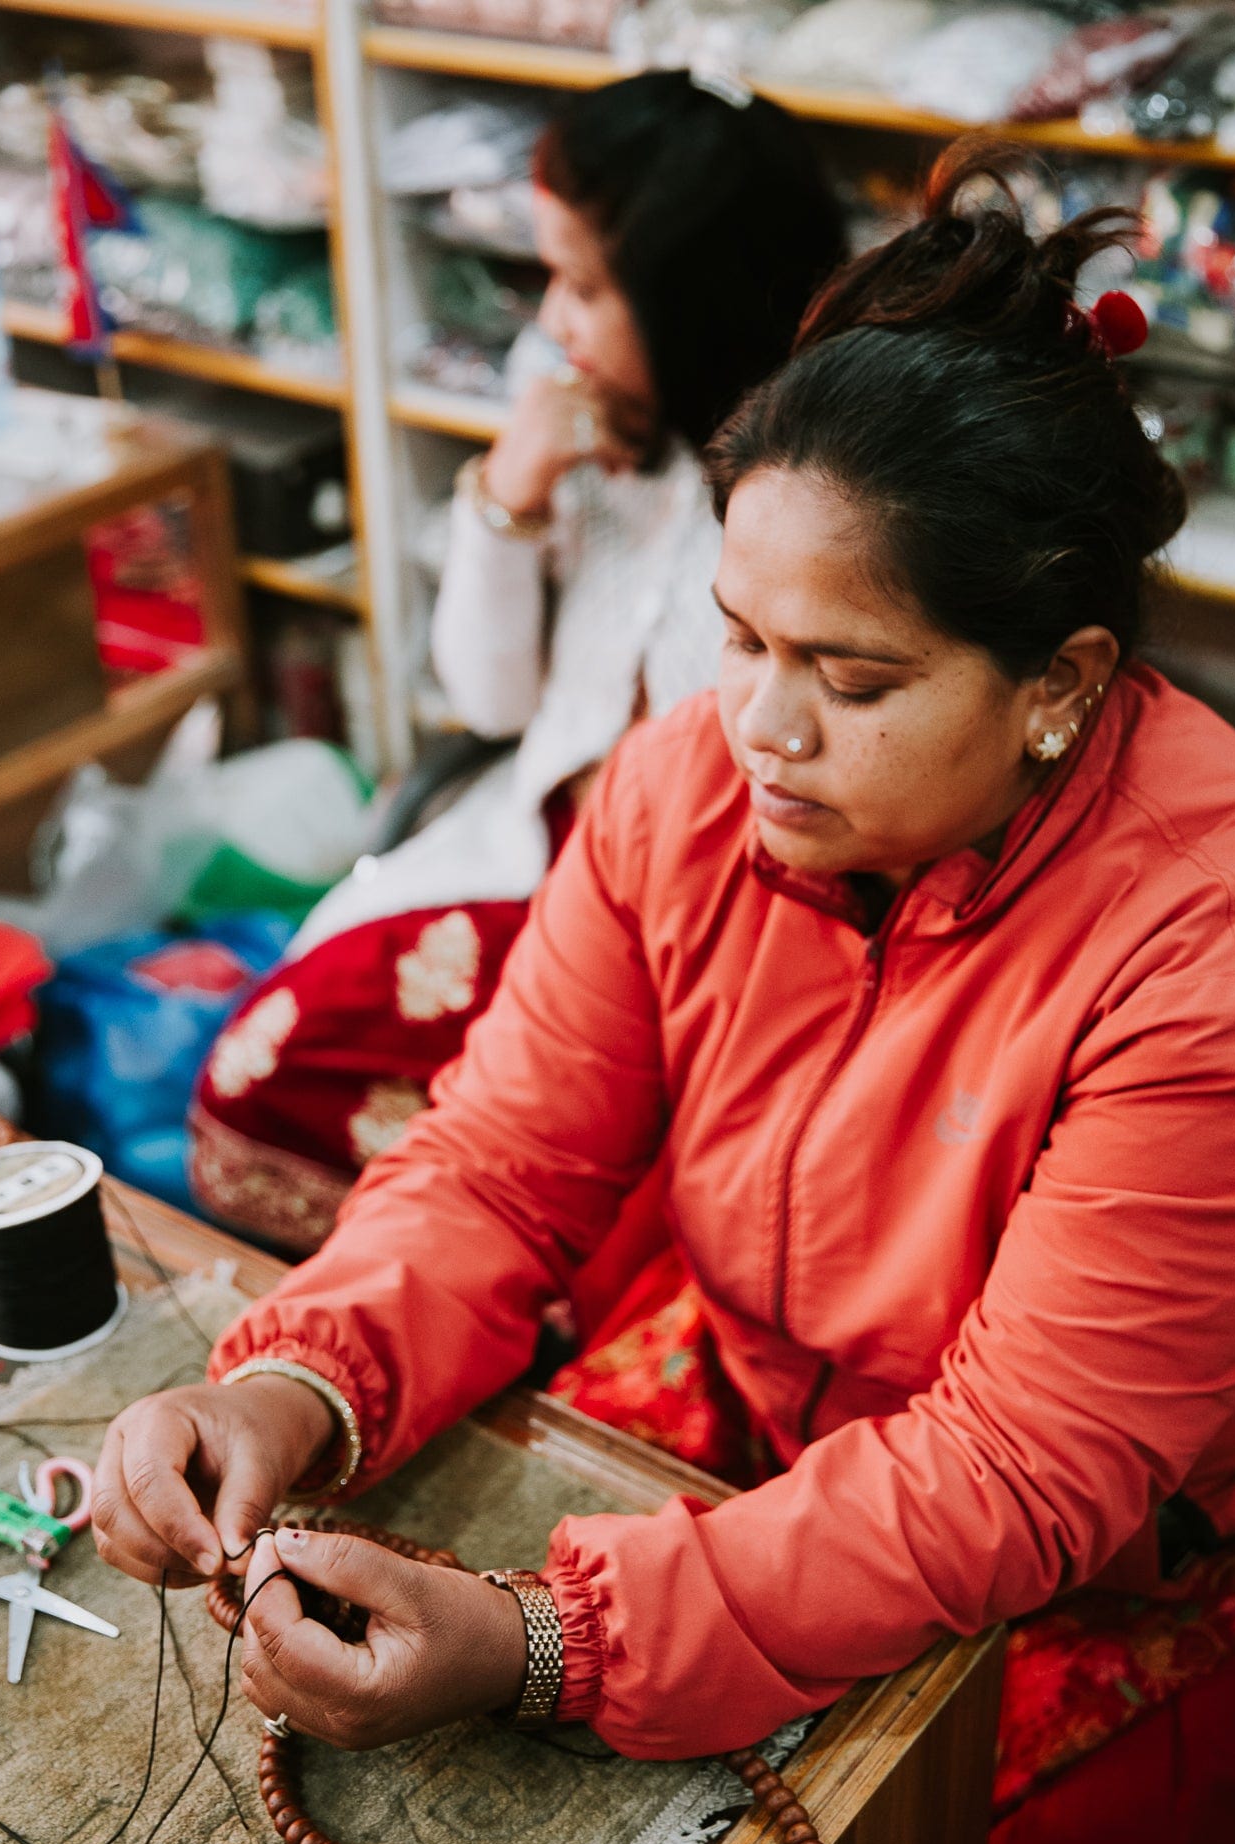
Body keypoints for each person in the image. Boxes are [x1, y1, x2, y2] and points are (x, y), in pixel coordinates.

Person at [94, 141, 1235, 1844]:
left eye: (850, 675)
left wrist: (546, 1640)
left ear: (1061, 683)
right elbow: (502, 1161)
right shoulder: (689, 786)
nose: (757, 723)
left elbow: (1013, 1473)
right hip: (779, 1379)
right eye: (742, 640)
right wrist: (288, 1382)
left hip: (1140, 1556)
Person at [187, 71, 846, 1254]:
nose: (552, 319)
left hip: (688, 937)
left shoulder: (802, 513)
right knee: (264, 1064)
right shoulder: (598, 449)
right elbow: (490, 699)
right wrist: (507, 495)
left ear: (691, 301)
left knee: (280, 1087)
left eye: (585, 287)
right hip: (531, 856)